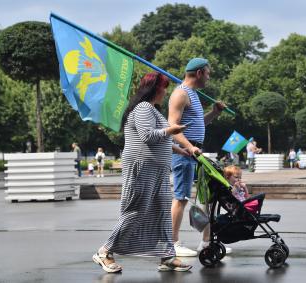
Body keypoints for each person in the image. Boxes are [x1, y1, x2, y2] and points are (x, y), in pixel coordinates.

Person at [92, 72, 191, 273]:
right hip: (142, 168)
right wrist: (172, 130)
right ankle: (105, 251)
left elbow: (160, 139)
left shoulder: (153, 110)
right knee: (136, 210)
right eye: (164, 87)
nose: (166, 92)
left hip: (157, 170)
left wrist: (181, 149)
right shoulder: (143, 108)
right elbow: (147, 136)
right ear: (155, 88)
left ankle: (167, 256)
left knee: (162, 211)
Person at [168, 58, 226, 257]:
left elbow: (197, 124)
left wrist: (214, 114)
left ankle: (206, 241)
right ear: (200, 72)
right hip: (185, 153)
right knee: (181, 197)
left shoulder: (193, 94)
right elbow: (173, 129)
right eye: (208, 73)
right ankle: (173, 243)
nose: (209, 77)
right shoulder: (180, 94)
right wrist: (190, 147)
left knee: (204, 198)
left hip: (195, 152)